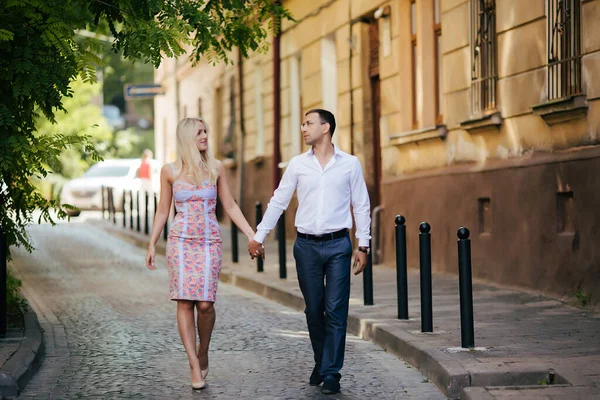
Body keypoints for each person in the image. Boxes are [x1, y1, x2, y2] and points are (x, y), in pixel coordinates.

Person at [248, 109, 371, 394]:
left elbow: (361, 205)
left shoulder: (350, 164)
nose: (303, 128)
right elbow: (279, 201)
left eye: (309, 123)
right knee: (314, 310)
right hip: (306, 247)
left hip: (338, 245)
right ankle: (321, 359)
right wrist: (259, 236)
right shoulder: (297, 164)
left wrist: (362, 245)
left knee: (336, 310)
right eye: (303, 124)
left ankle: (331, 372)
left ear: (326, 128)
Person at [146, 117, 262, 390]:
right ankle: (194, 365)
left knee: (206, 304)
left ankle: (204, 349)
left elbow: (230, 205)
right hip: (181, 242)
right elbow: (163, 210)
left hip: (209, 241)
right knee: (185, 302)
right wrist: (152, 243)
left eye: (206, 130)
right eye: (199, 132)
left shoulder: (216, 168)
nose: (205, 135)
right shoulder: (170, 171)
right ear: (187, 136)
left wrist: (251, 234)